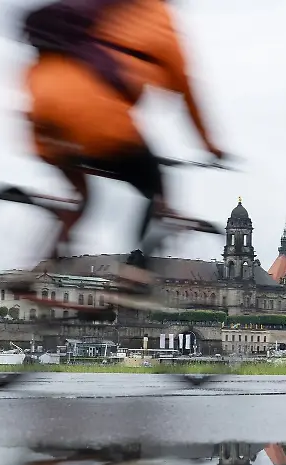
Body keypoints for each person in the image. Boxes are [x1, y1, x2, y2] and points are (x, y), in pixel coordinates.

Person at [22, 0, 225, 290]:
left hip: (39, 103)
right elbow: (186, 92)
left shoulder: (102, 10)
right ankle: (135, 271)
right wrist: (210, 145)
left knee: (81, 196)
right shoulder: (161, 21)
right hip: (98, 117)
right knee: (156, 187)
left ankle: (39, 266)